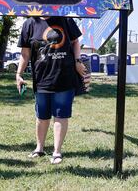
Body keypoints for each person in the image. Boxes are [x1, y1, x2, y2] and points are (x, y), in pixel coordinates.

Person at [15, 16, 86, 164]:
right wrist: (19, 74)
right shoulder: (30, 23)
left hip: (64, 76)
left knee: (61, 115)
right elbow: (25, 53)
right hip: (41, 79)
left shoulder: (65, 19)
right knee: (42, 116)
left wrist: (77, 61)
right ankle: (39, 148)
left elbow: (75, 42)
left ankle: (57, 152)